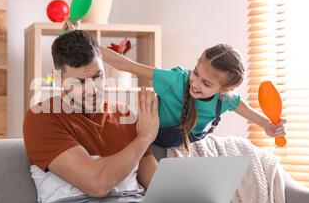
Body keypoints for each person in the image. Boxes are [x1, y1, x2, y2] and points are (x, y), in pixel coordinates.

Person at [23, 29, 258, 203]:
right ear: (58, 77)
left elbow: (152, 180)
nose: (93, 89)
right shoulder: (42, 118)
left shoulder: (123, 114)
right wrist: (145, 137)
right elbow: (97, 183)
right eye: (80, 82)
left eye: (98, 76)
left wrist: (198, 195)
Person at [101, 44, 287, 150]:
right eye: (196, 73)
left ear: (224, 89)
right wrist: (85, 40)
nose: (196, 83)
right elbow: (126, 65)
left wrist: (269, 128)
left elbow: (253, 116)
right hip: (148, 143)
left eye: (206, 84)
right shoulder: (175, 80)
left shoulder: (226, 100)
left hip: (179, 148)